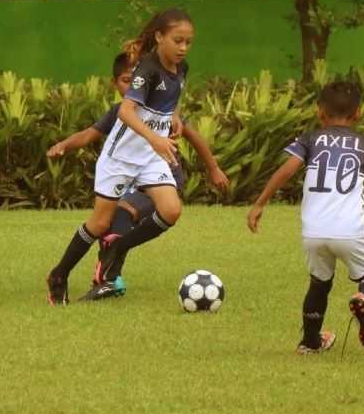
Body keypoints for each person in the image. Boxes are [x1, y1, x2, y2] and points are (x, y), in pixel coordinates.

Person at [246, 81, 364, 354]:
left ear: (320, 112)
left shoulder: (309, 140)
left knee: (319, 284)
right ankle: (363, 299)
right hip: (350, 229)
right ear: (358, 113)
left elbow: (285, 171)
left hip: (313, 231)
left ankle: (310, 343)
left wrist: (260, 204)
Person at [46, 51, 229, 300]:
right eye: (125, 80)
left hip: (157, 173)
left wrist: (213, 167)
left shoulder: (162, 100)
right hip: (123, 168)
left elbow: (192, 132)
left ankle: (111, 271)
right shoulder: (122, 110)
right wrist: (64, 145)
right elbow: (89, 134)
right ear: (116, 83)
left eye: (135, 79)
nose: (132, 84)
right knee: (103, 222)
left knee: (147, 211)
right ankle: (75, 274)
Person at [46, 9, 194, 306]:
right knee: (100, 224)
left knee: (171, 211)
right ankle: (58, 275)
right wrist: (155, 138)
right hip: (121, 157)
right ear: (159, 37)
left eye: (188, 42)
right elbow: (126, 112)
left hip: (151, 156)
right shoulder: (147, 71)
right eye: (178, 41)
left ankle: (116, 248)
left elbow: (171, 99)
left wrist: (173, 118)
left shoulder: (181, 69)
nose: (183, 48)